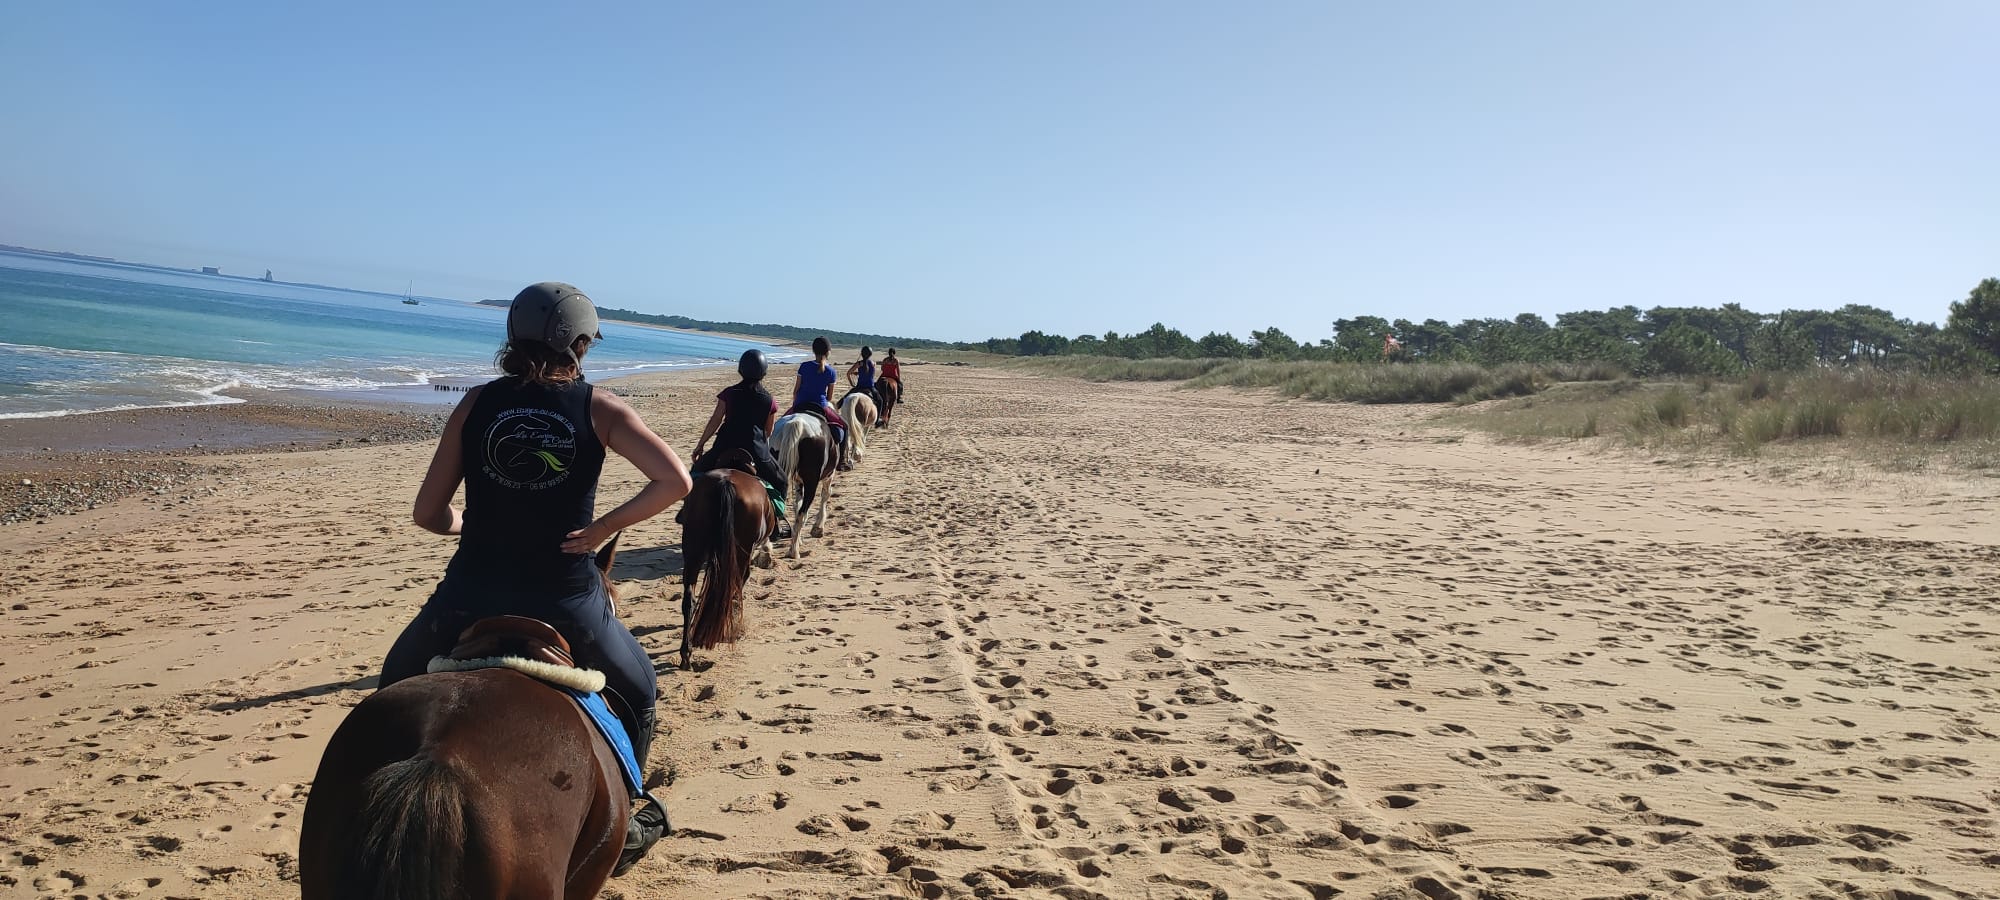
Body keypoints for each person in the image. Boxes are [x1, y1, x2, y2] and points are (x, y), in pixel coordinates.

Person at [381, 281, 691, 872]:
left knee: (395, 685)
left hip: (468, 596)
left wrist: (467, 521)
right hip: (566, 600)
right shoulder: (601, 408)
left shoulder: (475, 404)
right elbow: (675, 481)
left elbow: (428, 515)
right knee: (642, 691)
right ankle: (630, 816)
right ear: (577, 343)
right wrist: (603, 529)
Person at [687, 349, 790, 537]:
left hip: (723, 447)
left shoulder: (729, 393)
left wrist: (700, 445)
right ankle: (776, 524)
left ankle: (688, 513)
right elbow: (769, 431)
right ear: (764, 372)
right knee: (782, 482)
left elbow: (715, 420)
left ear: (740, 370)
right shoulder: (769, 401)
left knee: (693, 474)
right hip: (756, 451)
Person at [788, 336, 850, 470]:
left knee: (780, 423)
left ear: (813, 350)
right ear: (828, 352)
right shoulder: (831, 372)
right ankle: (842, 461)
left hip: (800, 404)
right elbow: (829, 397)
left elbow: (796, 390)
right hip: (820, 406)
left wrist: (796, 403)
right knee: (844, 426)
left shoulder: (804, 366)